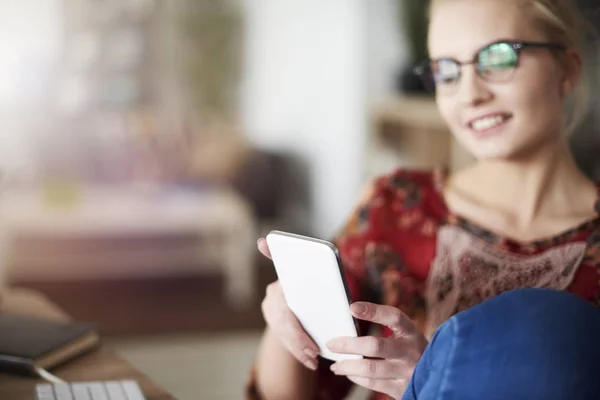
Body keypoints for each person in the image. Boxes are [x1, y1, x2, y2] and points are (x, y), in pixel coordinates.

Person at [246, 0, 600, 398]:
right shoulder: (395, 206)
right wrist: (286, 322)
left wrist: (435, 381)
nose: (470, 94)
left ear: (567, 69)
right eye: (446, 71)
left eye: (499, 58)